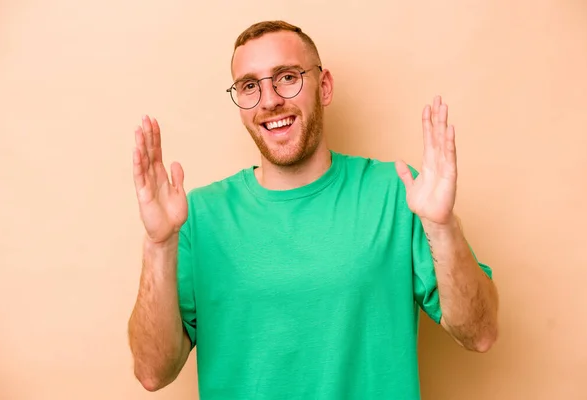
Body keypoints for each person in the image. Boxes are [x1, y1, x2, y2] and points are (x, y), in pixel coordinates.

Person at [127, 20, 499, 400]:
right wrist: (158, 244)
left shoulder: (397, 194)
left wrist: (441, 227)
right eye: (250, 86)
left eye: (287, 77)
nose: (269, 100)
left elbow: (480, 333)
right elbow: (153, 373)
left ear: (324, 87)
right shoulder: (197, 217)